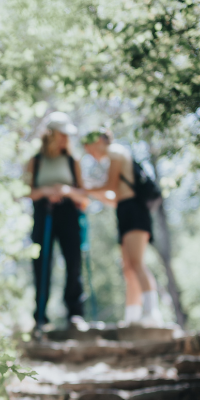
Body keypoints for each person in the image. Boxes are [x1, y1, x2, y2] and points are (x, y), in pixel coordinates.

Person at [81, 129, 162, 325]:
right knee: (128, 268)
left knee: (136, 263)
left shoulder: (116, 151)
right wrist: (89, 192)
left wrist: (83, 188)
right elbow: (115, 197)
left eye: (89, 148)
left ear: (99, 140)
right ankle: (132, 317)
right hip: (124, 210)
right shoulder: (113, 156)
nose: (90, 154)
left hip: (135, 211)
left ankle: (152, 313)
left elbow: (109, 185)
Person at [24, 112, 89, 333]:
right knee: (41, 263)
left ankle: (75, 314)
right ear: (50, 135)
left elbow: (83, 196)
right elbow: (26, 191)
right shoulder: (35, 161)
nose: (65, 139)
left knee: (73, 261)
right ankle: (40, 317)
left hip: (69, 213)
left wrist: (66, 191)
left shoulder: (72, 161)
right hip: (44, 213)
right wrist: (46, 191)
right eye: (62, 135)